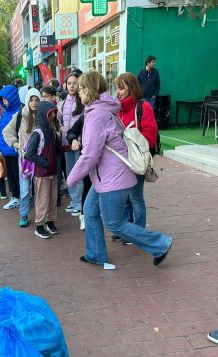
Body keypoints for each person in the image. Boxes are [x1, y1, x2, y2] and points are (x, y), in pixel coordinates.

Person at [66, 70, 172, 268]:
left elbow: (90, 155)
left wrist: (71, 179)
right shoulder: (100, 110)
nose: (78, 92)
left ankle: (160, 244)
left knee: (114, 223)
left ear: (89, 90)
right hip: (106, 177)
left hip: (112, 178)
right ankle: (96, 254)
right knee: (90, 211)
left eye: (80, 88)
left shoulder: (96, 115)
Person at [114, 72, 158, 235]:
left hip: (136, 159)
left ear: (131, 88)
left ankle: (138, 232)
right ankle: (127, 229)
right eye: (116, 88)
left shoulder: (143, 106)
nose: (118, 92)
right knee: (124, 197)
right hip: (121, 160)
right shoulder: (117, 108)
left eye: (121, 88)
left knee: (135, 197)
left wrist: (131, 139)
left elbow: (150, 135)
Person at [3, 88, 41, 227]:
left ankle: (40, 214)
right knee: (25, 190)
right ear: (27, 101)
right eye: (31, 100)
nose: (34, 103)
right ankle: (24, 214)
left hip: (39, 159)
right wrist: (16, 144)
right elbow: (7, 132)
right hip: (25, 160)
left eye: (37, 100)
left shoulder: (43, 114)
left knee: (38, 189)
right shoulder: (20, 115)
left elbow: (55, 127)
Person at [25, 101, 61, 239]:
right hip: (42, 173)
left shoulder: (53, 133)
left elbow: (57, 150)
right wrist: (44, 163)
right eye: (51, 113)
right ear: (43, 115)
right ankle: (39, 226)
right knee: (43, 200)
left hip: (52, 172)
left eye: (54, 113)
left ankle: (50, 222)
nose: (53, 116)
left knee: (52, 200)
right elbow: (29, 153)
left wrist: (71, 146)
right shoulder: (38, 133)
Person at [57, 71, 84, 217]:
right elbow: (58, 121)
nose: (72, 86)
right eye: (69, 83)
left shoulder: (83, 101)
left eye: (75, 83)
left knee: (79, 174)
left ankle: (80, 203)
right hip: (66, 144)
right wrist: (62, 130)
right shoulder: (62, 103)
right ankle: (74, 201)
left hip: (79, 144)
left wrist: (78, 139)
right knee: (70, 174)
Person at [0, 85, 21, 210]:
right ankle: (15, 197)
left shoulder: (20, 112)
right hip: (7, 150)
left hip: (16, 150)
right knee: (11, 175)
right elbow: (1, 133)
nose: (4, 102)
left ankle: (20, 196)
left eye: (6, 99)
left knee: (18, 175)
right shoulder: (5, 113)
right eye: (3, 99)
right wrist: (0, 149)